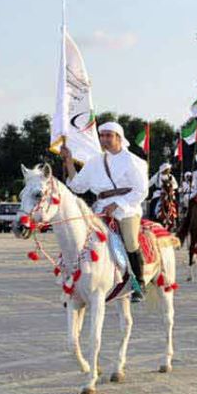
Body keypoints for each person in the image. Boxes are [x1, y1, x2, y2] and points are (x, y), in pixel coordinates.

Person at [60, 122, 149, 302]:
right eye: (102, 136)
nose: (105, 139)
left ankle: (138, 283)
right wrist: (68, 161)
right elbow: (77, 186)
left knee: (130, 241)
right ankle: (77, 283)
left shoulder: (134, 161)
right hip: (100, 209)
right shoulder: (95, 161)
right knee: (81, 239)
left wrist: (117, 205)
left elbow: (141, 190)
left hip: (127, 209)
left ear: (119, 137)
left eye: (109, 135)